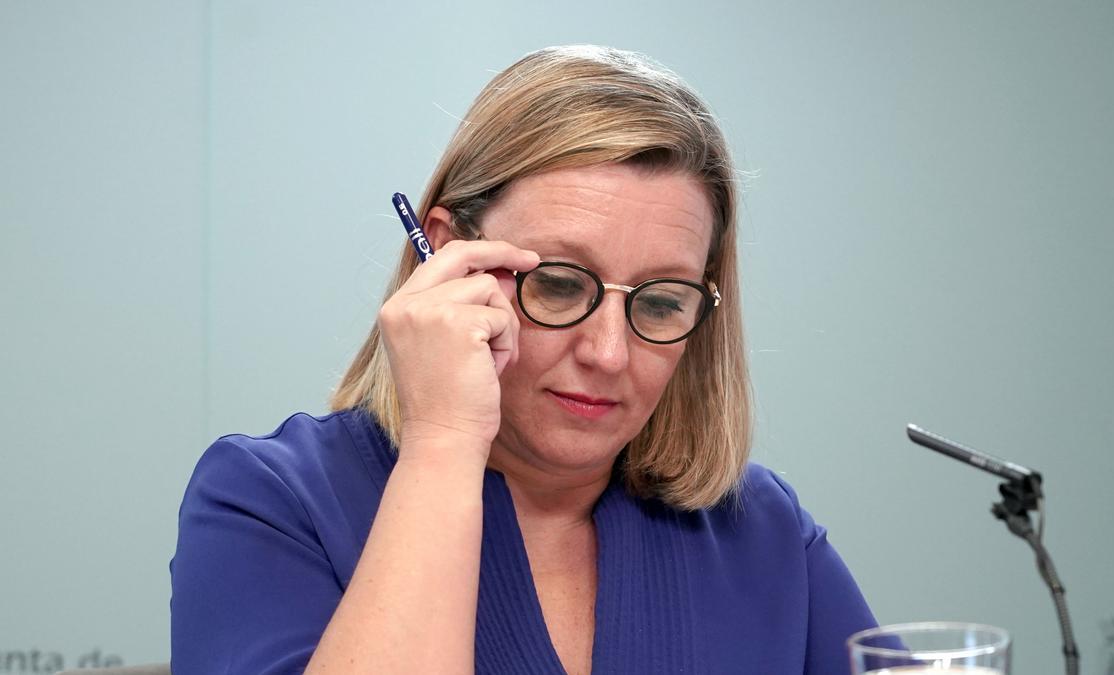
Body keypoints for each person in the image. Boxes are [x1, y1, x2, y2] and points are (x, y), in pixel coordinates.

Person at [170, 45, 878, 674]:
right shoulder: (268, 502)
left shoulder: (759, 529)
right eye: (560, 284)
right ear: (446, 255)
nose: (607, 352)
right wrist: (443, 441)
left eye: (660, 302)